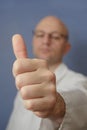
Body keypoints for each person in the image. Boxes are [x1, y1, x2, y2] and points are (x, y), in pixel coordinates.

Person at [6, 16, 87, 130]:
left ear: (66, 48)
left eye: (55, 37)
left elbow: (82, 101)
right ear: (33, 41)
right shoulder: (24, 82)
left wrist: (57, 105)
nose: (46, 41)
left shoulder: (80, 82)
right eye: (40, 35)